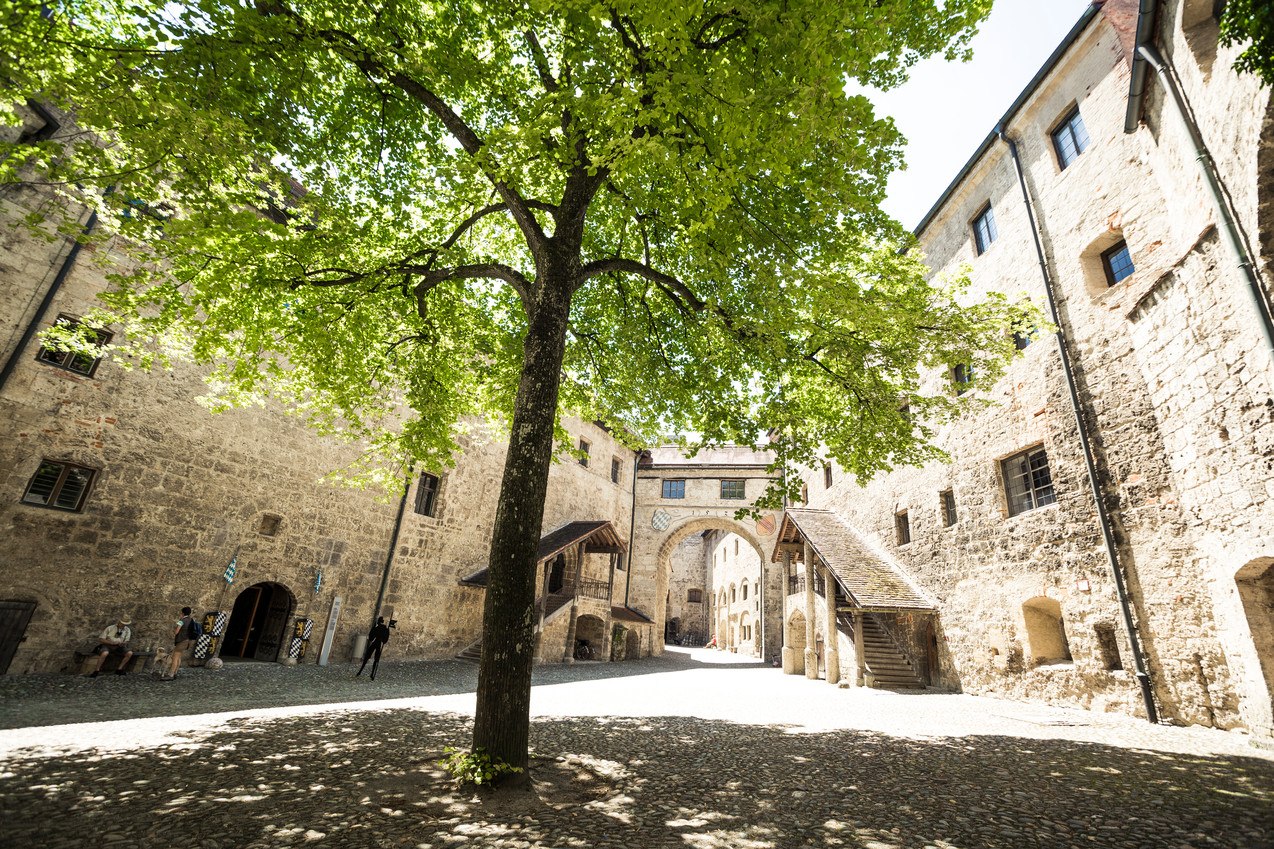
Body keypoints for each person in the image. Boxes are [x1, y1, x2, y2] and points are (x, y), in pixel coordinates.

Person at [161, 606, 196, 681]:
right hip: (188, 641)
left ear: (182, 613)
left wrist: (174, 631)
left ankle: (171, 674)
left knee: (175, 657)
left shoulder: (181, 620)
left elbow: (177, 631)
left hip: (181, 641)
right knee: (179, 657)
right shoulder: (191, 620)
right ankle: (175, 672)